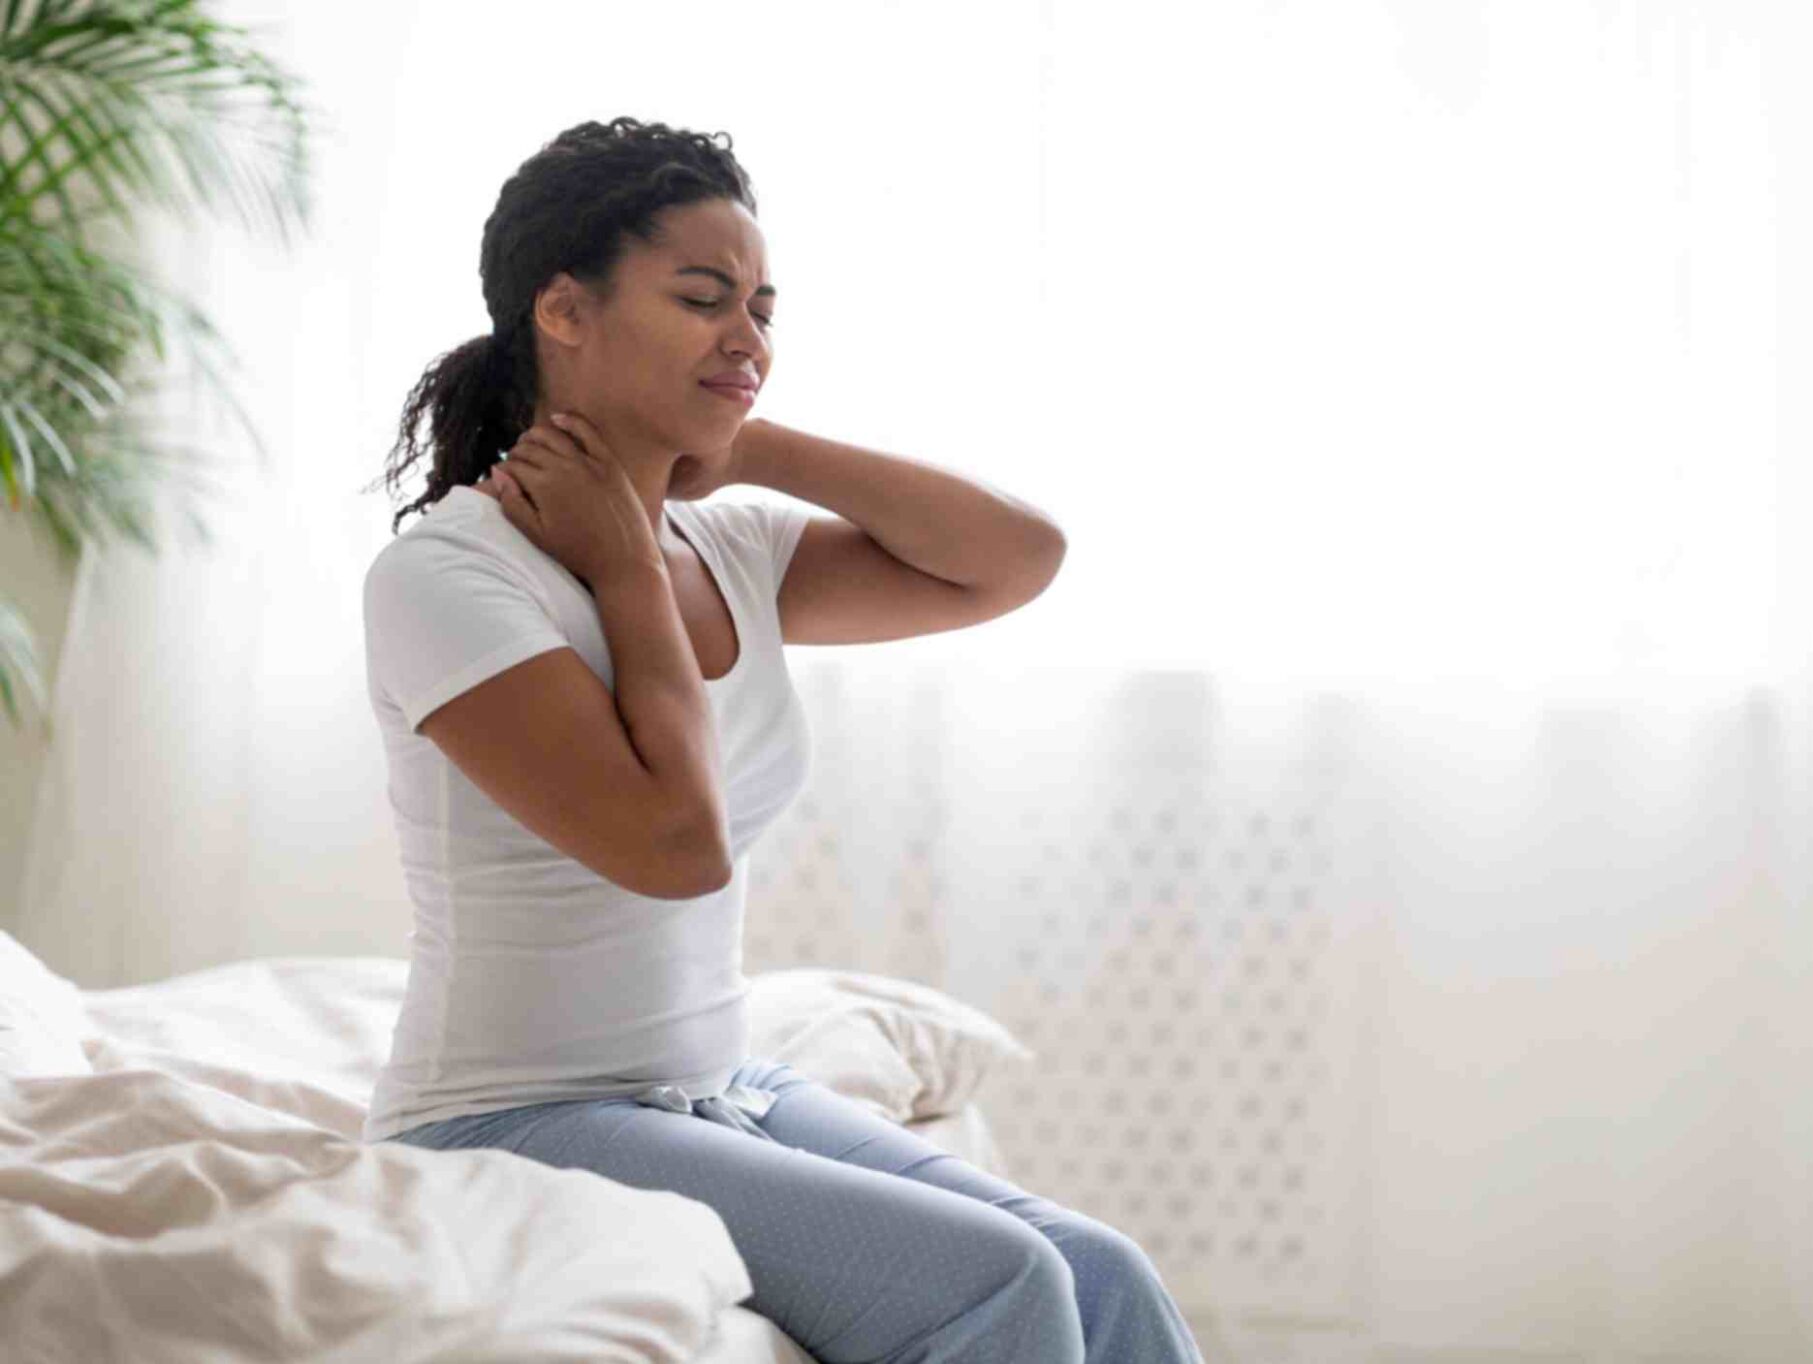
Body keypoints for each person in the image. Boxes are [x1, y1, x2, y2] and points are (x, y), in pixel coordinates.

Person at [357, 116, 1203, 1364]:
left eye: (761, 309)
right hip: (509, 1115)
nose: (746, 336)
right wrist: (626, 570)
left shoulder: (730, 544)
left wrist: (743, 444)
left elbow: (1016, 558)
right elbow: (672, 846)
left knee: (1103, 1270)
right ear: (564, 309)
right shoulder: (448, 577)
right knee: (1002, 1281)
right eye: (703, 299)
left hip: (716, 1084)